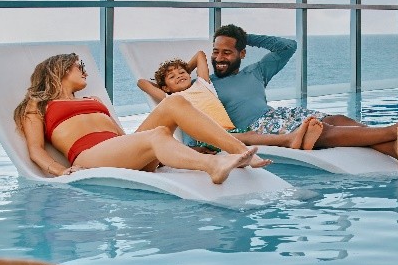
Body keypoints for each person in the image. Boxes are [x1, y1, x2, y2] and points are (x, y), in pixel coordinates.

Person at [141, 24, 398, 168]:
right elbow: (189, 117)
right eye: (216, 52)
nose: (219, 58)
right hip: (257, 129)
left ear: (242, 53)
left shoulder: (256, 71)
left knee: (337, 118)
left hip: (278, 115)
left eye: (227, 52)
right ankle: (393, 131)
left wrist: (244, 36)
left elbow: (288, 46)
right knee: (322, 131)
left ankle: (395, 149)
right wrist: (183, 74)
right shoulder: (202, 86)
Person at [15, 52, 269, 184]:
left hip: (120, 153)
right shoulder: (37, 104)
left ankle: (241, 151)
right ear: (59, 69)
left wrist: (174, 151)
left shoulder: (94, 100)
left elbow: (123, 139)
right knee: (158, 133)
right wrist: (61, 171)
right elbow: (36, 150)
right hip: (89, 157)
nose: (85, 72)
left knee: (174, 102)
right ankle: (212, 166)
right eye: (78, 67)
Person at [137, 51, 324, 150]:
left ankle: (296, 138)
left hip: (226, 130)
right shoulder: (171, 98)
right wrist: (166, 84)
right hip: (203, 138)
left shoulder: (203, 84)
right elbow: (142, 83)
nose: (179, 75)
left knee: (253, 134)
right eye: (172, 77)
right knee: (249, 137)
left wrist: (183, 70)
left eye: (182, 72)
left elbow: (200, 55)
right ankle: (288, 140)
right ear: (165, 88)